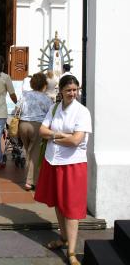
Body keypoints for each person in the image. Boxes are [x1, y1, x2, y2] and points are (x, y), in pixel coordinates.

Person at [34, 75, 92, 265]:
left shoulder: (82, 112)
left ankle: (72, 252)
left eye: (75, 90)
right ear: (61, 91)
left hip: (73, 164)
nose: (72, 93)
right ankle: (63, 238)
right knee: (59, 202)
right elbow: (42, 131)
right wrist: (59, 135)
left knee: (72, 207)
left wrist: (53, 137)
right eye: (69, 90)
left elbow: (77, 140)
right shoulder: (54, 108)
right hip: (54, 161)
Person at [17, 72, 52, 191]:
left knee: (28, 151)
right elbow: (50, 114)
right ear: (44, 85)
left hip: (23, 125)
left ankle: (30, 177)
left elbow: (17, 108)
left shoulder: (25, 95)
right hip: (37, 125)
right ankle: (30, 181)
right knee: (34, 154)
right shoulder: (46, 98)